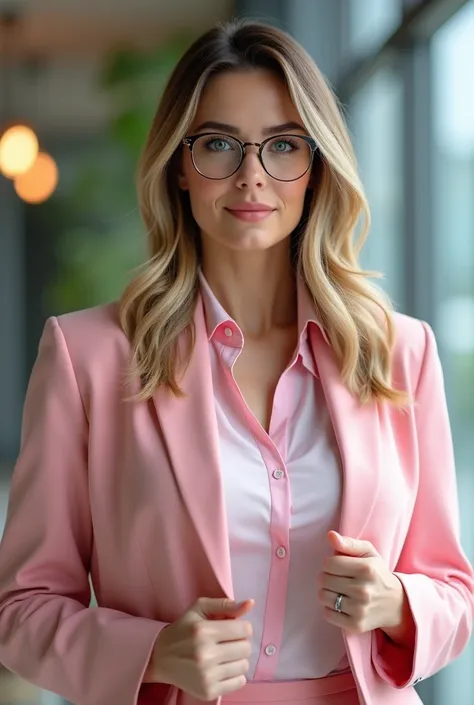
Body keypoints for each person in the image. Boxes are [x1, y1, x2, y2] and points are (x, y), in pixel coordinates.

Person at [0, 18, 472, 705]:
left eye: (283, 145)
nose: (252, 176)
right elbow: (22, 610)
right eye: (219, 144)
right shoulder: (88, 358)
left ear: (315, 168)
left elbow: (455, 593)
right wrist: (154, 652)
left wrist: (399, 601)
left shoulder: (401, 354)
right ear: (179, 168)